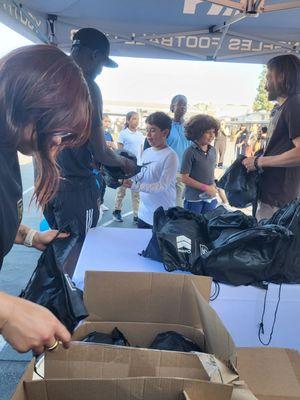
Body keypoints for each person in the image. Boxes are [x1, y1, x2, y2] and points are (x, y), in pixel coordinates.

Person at [0, 44, 92, 354]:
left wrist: (29, 236)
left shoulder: (7, 149)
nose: (58, 141)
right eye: (61, 130)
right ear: (30, 105)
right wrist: (6, 312)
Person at [43, 28, 136, 238]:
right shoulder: (88, 87)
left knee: (57, 246)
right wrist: (124, 163)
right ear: (95, 55)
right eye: (102, 64)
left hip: (47, 184)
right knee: (79, 250)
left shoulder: (48, 78)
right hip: (75, 190)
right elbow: (101, 151)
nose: (100, 70)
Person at [243, 54, 300, 220]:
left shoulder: (294, 104)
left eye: (268, 77)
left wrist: (259, 162)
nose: (265, 85)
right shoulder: (282, 108)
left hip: (280, 202)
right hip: (272, 196)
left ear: (281, 77)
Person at [123, 112, 178, 229]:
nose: (148, 135)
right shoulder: (146, 152)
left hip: (162, 215)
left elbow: (161, 186)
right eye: (146, 130)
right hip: (143, 214)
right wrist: (127, 176)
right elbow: (140, 176)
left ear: (165, 132)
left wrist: (135, 186)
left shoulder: (171, 156)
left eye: (152, 130)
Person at [181, 115, 219, 214]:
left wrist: (214, 186)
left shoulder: (213, 150)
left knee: (208, 225)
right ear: (197, 133)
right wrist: (205, 188)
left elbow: (210, 172)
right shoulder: (190, 152)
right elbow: (184, 178)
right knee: (193, 226)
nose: (212, 135)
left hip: (210, 198)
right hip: (194, 200)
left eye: (213, 132)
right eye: (208, 132)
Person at [113, 112, 144, 223]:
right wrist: (122, 165)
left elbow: (141, 151)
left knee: (136, 193)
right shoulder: (123, 134)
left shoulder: (140, 135)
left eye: (137, 119)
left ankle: (136, 215)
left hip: (137, 168)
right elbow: (120, 151)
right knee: (122, 191)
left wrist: (141, 163)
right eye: (134, 119)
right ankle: (117, 211)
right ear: (128, 120)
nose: (136, 121)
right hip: (125, 168)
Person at [100, 114, 116, 212]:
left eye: (108, 121)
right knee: (98, 184)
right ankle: (96, 203)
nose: (107, 123)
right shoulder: (95, 133)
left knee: (104, 184)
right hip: (97, 165)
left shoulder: (108, 134)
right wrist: (105, 144)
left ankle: (101, 202)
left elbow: (113, 146)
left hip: (106, 164)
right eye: (105, 121)